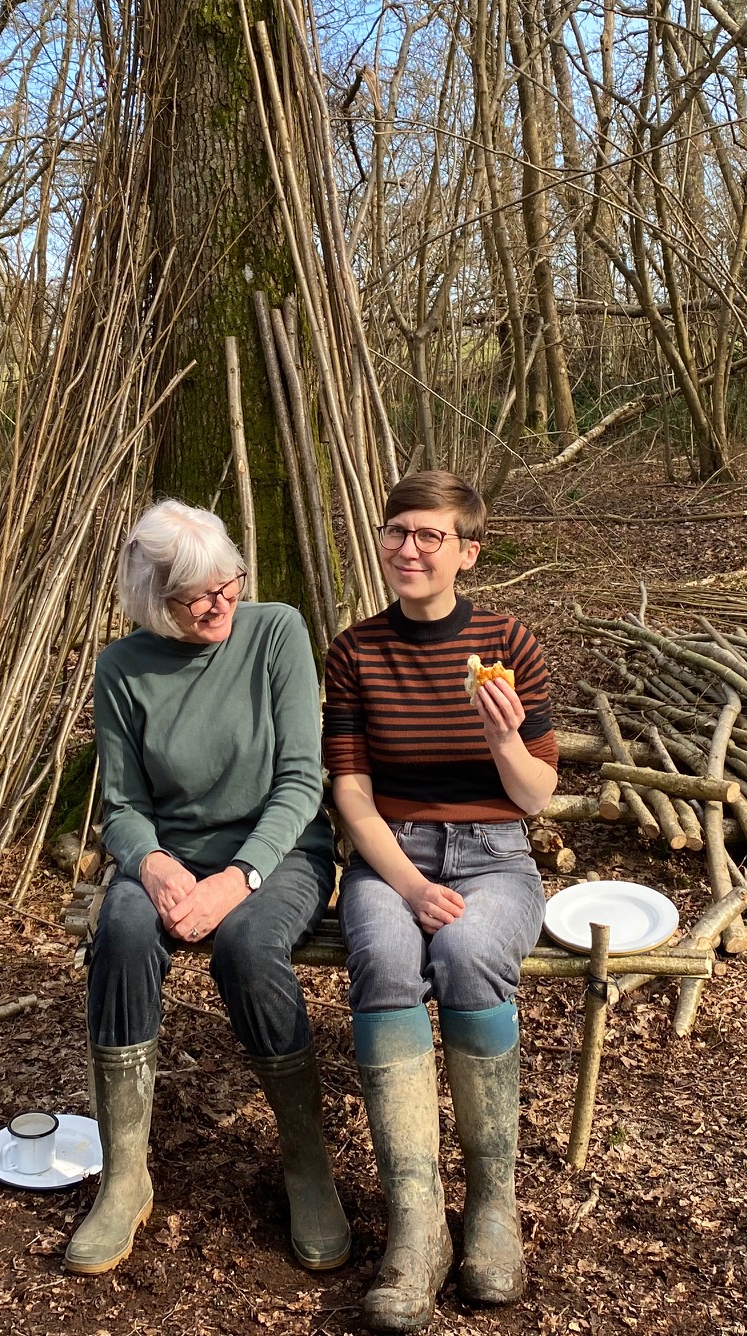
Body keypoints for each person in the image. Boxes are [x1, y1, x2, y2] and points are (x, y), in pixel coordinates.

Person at [67, 500, 348, 1277]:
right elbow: (122, 806)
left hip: (280, 850)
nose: (220, 603)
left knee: (249, 946)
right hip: (171, 857)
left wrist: (238, 879)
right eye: (197, 595)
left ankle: (305, 1163)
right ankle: (126, 1174)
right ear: (154, 600)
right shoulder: (123, 667)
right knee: (121, 930)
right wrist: (152, 865)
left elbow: (301, 782)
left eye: (228, 582)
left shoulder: (275, 632)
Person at [324, 471, 558, 1332]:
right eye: (398, 531)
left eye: (430, 535)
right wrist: (413, 885)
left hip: (496, 855)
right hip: (394, 853)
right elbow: (351, 795)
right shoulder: (356, 651)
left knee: (465, 956)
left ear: (468, 551)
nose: (410, 548)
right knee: (386, 956)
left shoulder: (510, 642)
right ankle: (417, 1225)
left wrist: (504, 739)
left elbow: (534, 796)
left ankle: (492, 1206)